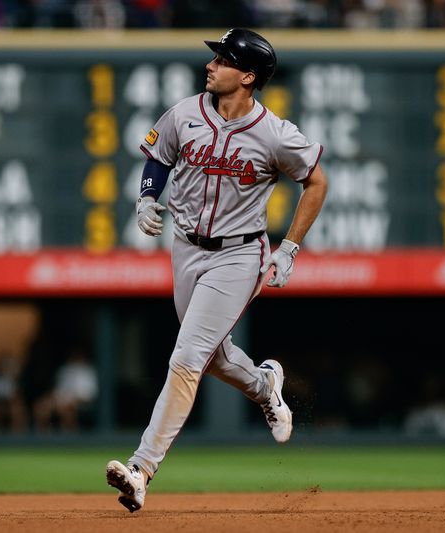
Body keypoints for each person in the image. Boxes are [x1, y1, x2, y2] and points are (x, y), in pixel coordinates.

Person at [105, 28, 328, 513]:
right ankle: (266, 385)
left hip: (239, 255)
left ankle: (142, 469)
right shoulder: (185, 113)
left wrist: (289, 247)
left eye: (224, 60)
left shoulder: (274, 133)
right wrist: (146, 196)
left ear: (248, 76)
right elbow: (158, 156)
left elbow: (316, 181)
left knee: (186, 357)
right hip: (186, 248)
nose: (211, 65)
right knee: (211, 357)